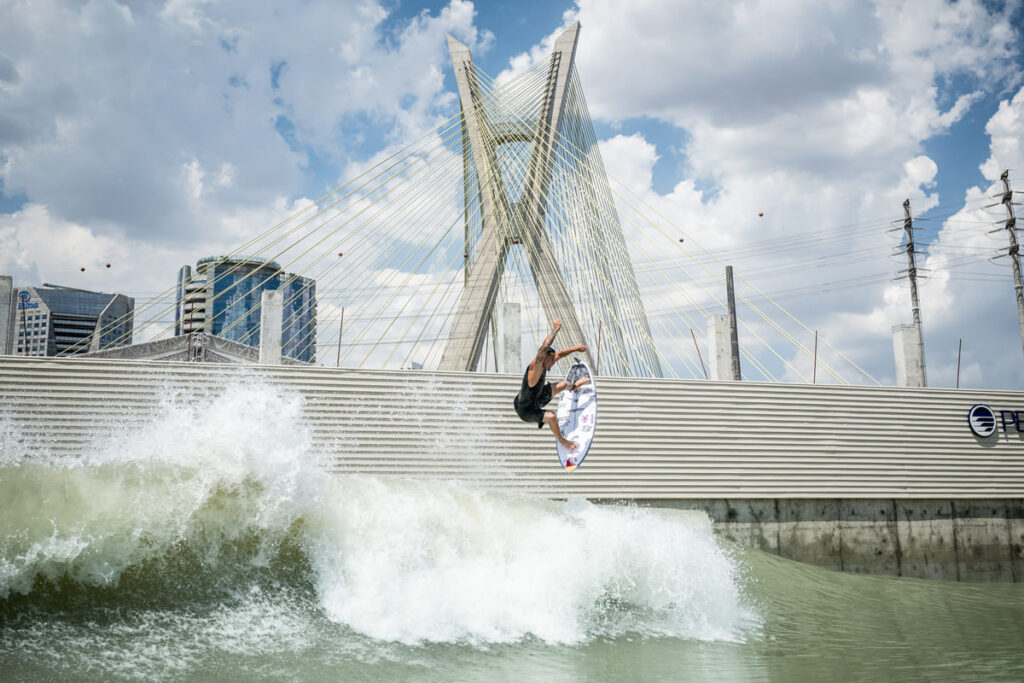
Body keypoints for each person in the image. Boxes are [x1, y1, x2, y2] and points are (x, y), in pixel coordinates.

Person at [513, 318, 590, 450]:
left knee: (564, 384)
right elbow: (544, 348)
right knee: (552, 417)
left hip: (537, 397)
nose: (554, 363)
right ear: (546, 357)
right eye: (552, 361)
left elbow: (560, 354)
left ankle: (575, 387)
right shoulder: (535, 367)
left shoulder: (547, 360)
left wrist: (576, 348)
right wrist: (556, 329)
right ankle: (563, 441)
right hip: (526, 409)